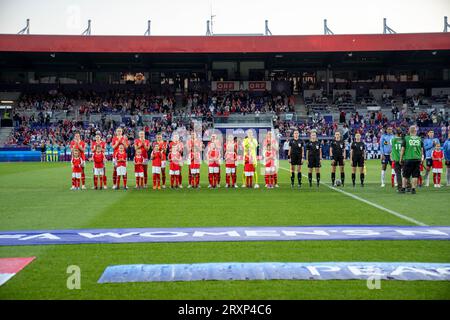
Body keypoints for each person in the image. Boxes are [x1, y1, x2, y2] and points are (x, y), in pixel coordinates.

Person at [399, 125, 423, 194]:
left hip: (408, 159)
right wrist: (421, 158)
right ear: (415, 131)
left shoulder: (406, 138)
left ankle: (403, 188)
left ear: (409, 131)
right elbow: (421, 150)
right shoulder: (419, 139)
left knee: (405, 175)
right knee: (415, 175)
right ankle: (413, 189)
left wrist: (401, 158)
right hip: (417, 159)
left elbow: (402, 150)